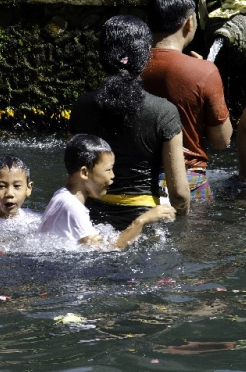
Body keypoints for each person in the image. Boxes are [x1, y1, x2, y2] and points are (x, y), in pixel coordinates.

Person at [71, 15, 189, 230]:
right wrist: (182, 223)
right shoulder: (163, 111)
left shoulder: (82, 106)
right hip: (145, 221)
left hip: (89, 221)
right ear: (145, 55)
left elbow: (74, 175)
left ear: (103, 56)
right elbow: (179, 193)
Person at [142, 0, 232, 200]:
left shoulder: (128, 65)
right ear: (189, 22)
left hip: (134, 179)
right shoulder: (203, 71)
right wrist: (208, 79)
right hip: (187, 179)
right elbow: (222, 140)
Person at [39, 134, 176, 249]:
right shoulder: (73, 207)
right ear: (85, 172)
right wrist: (141, 221)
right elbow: (107, 251)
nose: (112, 176)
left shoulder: (61, 195)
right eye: (108, 170)